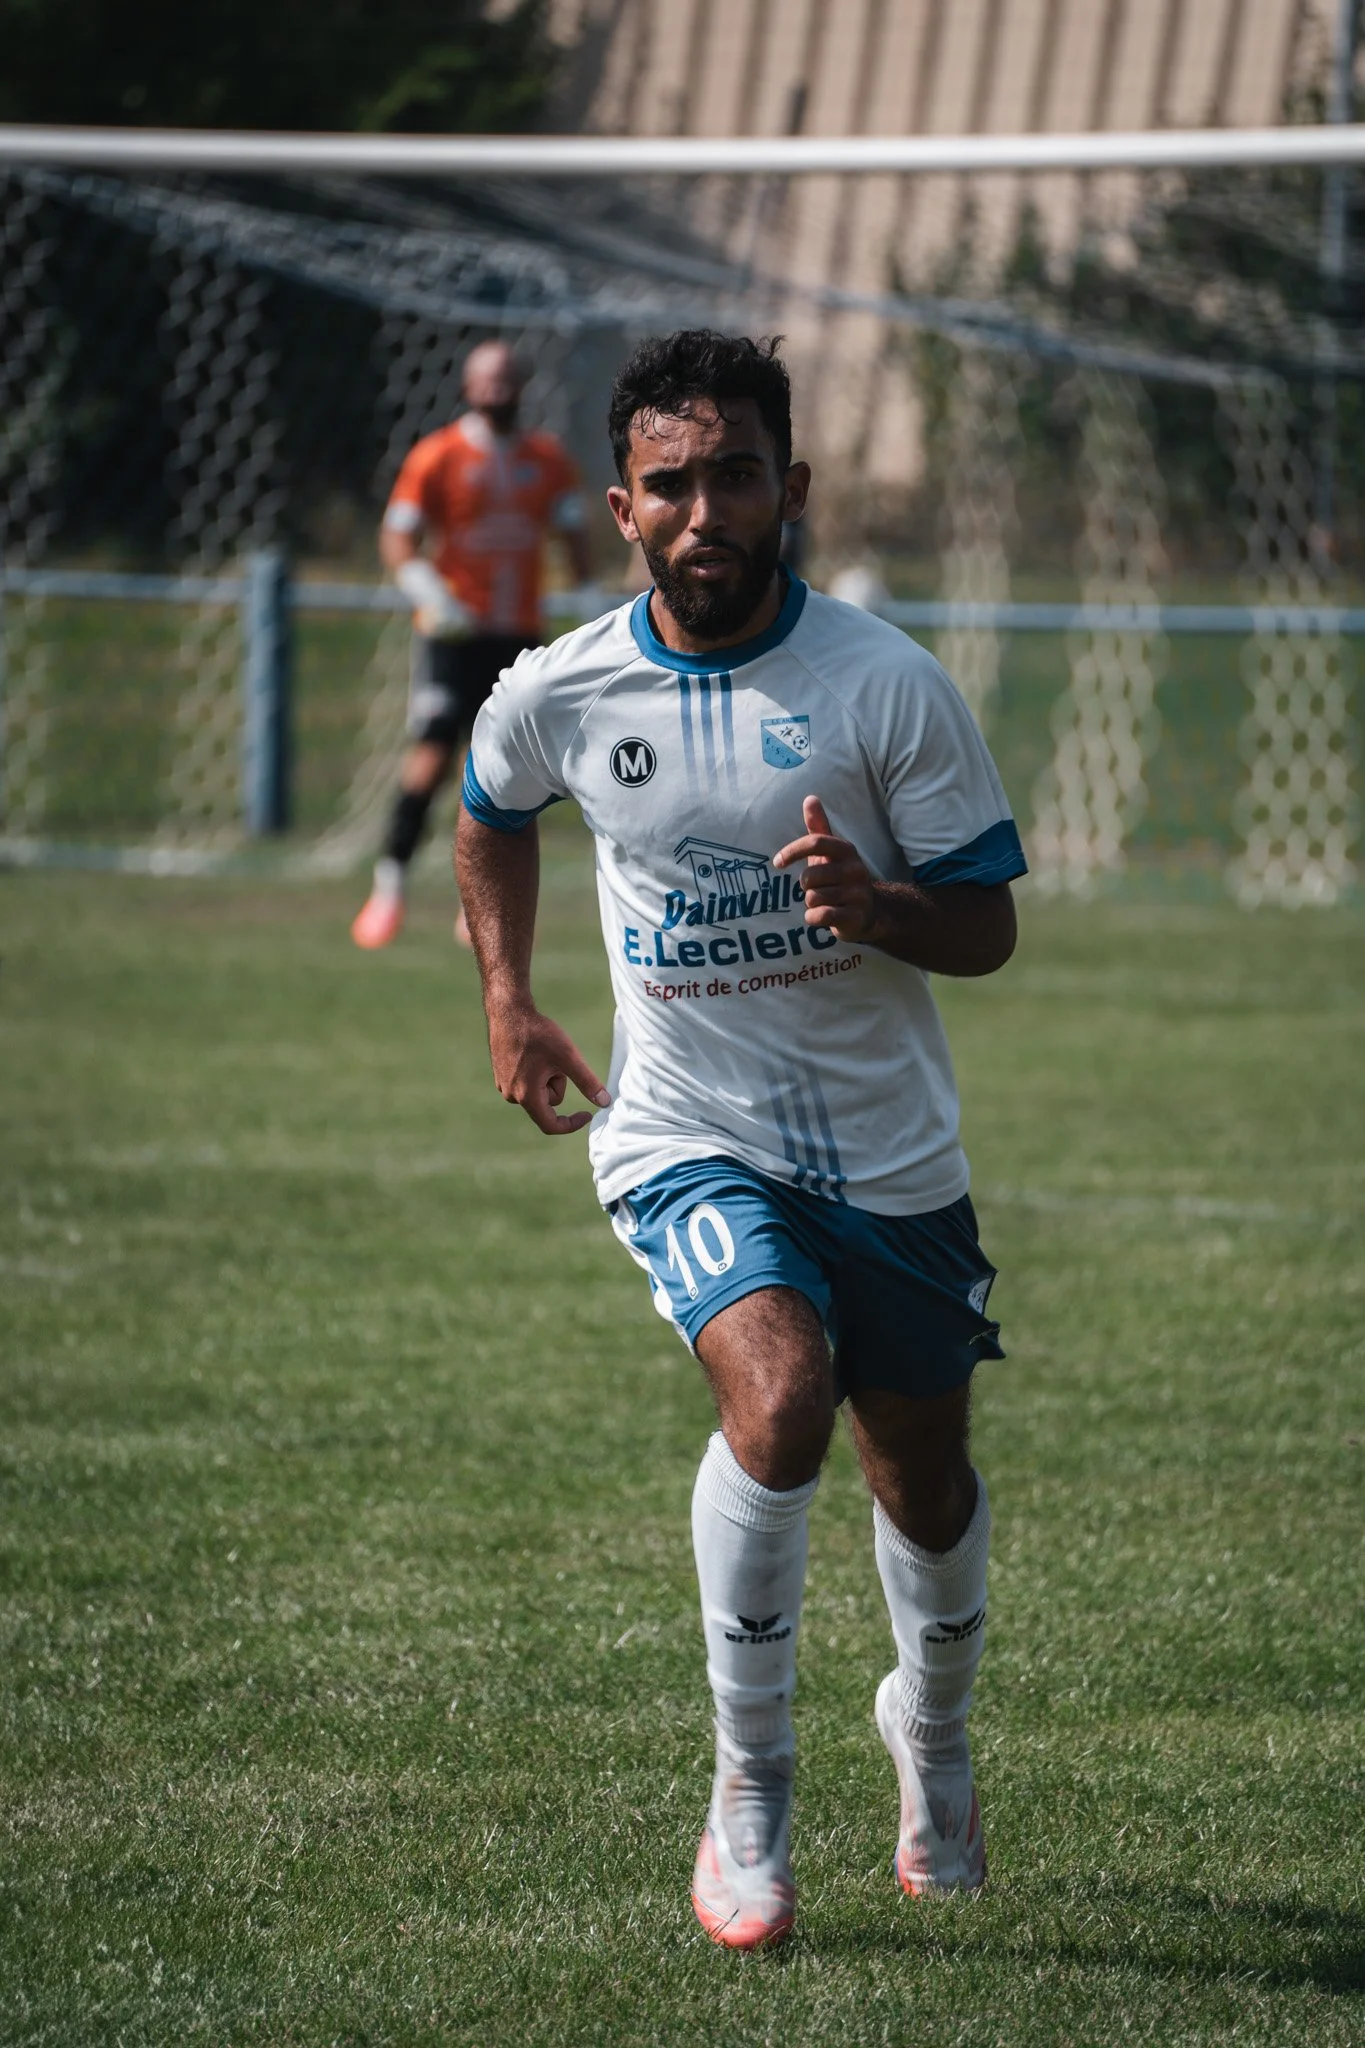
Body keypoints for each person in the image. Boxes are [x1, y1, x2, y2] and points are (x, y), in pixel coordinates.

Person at [455, 330, 1026, 1949]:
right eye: (674, 482)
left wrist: (882, 905)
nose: (709, 510)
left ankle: (931, 1731)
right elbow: (490, 811)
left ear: (794, 489)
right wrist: (509, 994)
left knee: (920, 1476)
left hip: (891, 1153)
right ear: (623, 506)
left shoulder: (884, 684)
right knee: (780, 1395)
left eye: (741, 476)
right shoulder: (563, 688)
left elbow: (983, 925)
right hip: (686, 1130)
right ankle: (750, 1789)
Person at [351, 339, 596, 950]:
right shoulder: (437, 456)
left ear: (522, 385)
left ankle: (483, 903)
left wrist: (589, 600)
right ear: (468, 386)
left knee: (510, 773)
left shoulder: (548, 460)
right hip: (453, 634)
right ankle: (389, 887)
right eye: (486, 381)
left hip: (518, 636)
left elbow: (575, 533)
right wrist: (428, 591)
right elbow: (398, 538)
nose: (496, 392)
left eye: (507, 380)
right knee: (432, 755)